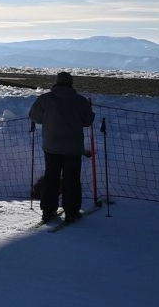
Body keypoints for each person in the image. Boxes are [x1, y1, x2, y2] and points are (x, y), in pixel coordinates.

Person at [29, 72, 95, 224]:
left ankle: (48, 210)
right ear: (70, 83)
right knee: (72, 179)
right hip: (73, 148)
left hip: (51, 147)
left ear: (56, 83)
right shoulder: (80, 101)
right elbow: (87, 121)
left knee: (51, 178)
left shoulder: (45, 99)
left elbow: (35, 117)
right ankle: (71, 212)